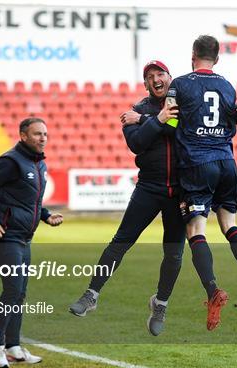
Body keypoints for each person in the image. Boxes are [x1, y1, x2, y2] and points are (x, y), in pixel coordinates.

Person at [69, 60, 185, 336]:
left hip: (180, 191)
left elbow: (178, 129)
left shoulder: (181, 105)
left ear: (170, 77)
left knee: (174, 254)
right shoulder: (135, 110)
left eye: (160, 74)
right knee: (120, 242)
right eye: (150, 76)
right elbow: (136, 143)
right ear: (145, 84)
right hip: (149, 187)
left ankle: (161, 304)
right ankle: (91, 295)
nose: (156, 79)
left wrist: (149, 121)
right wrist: (154, 119)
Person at [168, 35, 237, 331]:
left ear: (193, 54)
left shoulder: (180, 84)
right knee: (230, 225)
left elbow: (170, 118)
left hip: (198, 163)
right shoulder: (227, 85)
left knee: (196, 229)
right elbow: (230, 120)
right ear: (217, 58)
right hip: (227, 161)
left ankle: (213, 291)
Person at [0, 117, 64, 368]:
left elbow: (28, 201)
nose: (43, 138)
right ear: (23, 135)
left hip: (24, 238)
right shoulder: (10, 161)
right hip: (5, 237)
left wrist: (46, 215)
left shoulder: (38, 164)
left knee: (19, 293)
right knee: (12, 291)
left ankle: (13, 347)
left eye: (45, 133)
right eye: (37, 134)